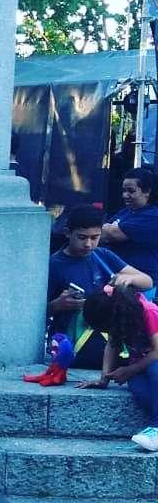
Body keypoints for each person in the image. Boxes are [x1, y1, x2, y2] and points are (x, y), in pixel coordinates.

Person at [46, 204, 152, 370]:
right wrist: (57, 305)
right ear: (67, 233)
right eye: (82, 237)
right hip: (75, 337)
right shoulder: (54, 265)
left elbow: (147, 281)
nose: (88, 244)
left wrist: (126, 279)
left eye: (95, 237)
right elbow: (37, 314)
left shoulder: (102, 255)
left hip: (109, 332)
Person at [79, 284, 158, 452]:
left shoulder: (148, 312)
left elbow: (157, 351)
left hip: (154, 363)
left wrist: (130, 370)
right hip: (140, 367)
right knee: (139, 388)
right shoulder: (120, 317)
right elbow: (112, 344)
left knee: (154, 370)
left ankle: (156, 428)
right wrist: (104, 379)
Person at [100, 166, 158, 290]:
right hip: (118, 279)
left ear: (147, 191)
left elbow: (110, 234)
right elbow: (102, 231)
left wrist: (111, 228)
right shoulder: (128, 211)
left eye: (131, 191)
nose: (125, 195)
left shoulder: (153, 216)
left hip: (140, 283)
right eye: (124, 191)